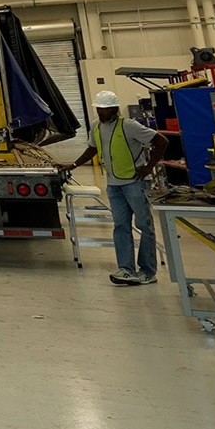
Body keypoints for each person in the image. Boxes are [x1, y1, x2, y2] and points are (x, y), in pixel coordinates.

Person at [67, 90, 162, 286]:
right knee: (121, 227)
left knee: (144, 226)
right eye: (99, 109)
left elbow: (161, 141)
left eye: (105, 109)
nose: (101, 112)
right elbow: (92, 149)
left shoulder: (129, 126)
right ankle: (126, 269)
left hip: (135, 183)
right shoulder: (96, 126)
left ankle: (147, 271)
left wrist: (149, 167)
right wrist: (73, 165)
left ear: (114, 109)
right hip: (114, 186)